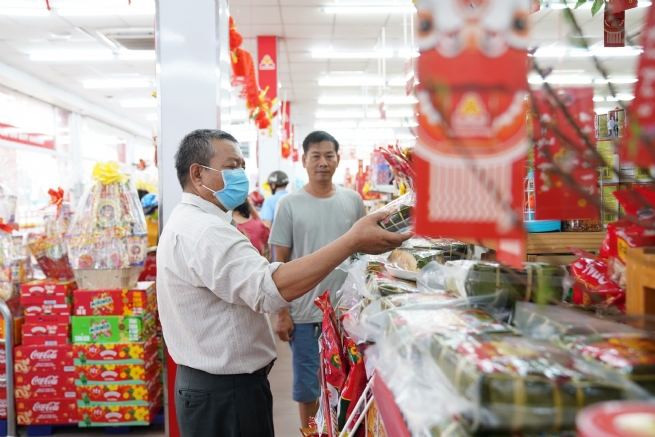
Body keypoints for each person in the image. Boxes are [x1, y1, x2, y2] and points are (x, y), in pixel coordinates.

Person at [157, 129, 410, 437]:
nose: (241, 176)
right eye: (232, 167)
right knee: (307, 385)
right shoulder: (206, 231)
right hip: (226, 393)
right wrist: (351, 241)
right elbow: (270, 289)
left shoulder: (190, 221)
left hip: (217, 386)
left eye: (242, 166)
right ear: (197, 174)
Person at [269, 130, 366, 429]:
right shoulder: (289, 204)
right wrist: (281, 313)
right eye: (316, 156)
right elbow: (278, 262)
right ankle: (311, 432)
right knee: (309, 386)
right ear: (304, 160)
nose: (323, 162)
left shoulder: (353, 201)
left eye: (329, 155)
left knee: (347, 384)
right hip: (306, 316)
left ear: (337, 159)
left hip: (347, 314)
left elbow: (362, 255)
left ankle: (337, 431)